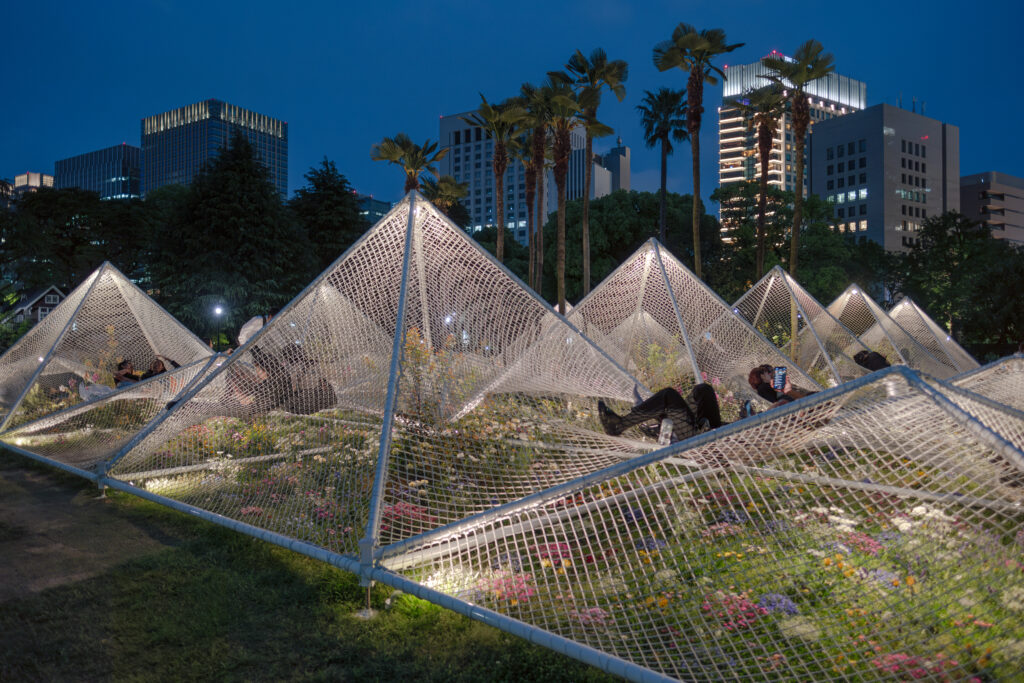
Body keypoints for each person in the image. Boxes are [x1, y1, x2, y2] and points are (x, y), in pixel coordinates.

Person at [598, 383, 724, 444]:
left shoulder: (743, 428)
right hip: (709, 431)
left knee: (668, 395)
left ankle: (618, 426)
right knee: (703, 390)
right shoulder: (743, 422)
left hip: (705, 444)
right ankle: (662, 417)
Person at [742, 364, 816, 417]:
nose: (773, 372)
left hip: (797, 400)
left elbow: (782, 369)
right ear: (762, 376)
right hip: (791, 404)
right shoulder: (763, 387)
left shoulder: (770, 384)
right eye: (770, 371)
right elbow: (776, 401)